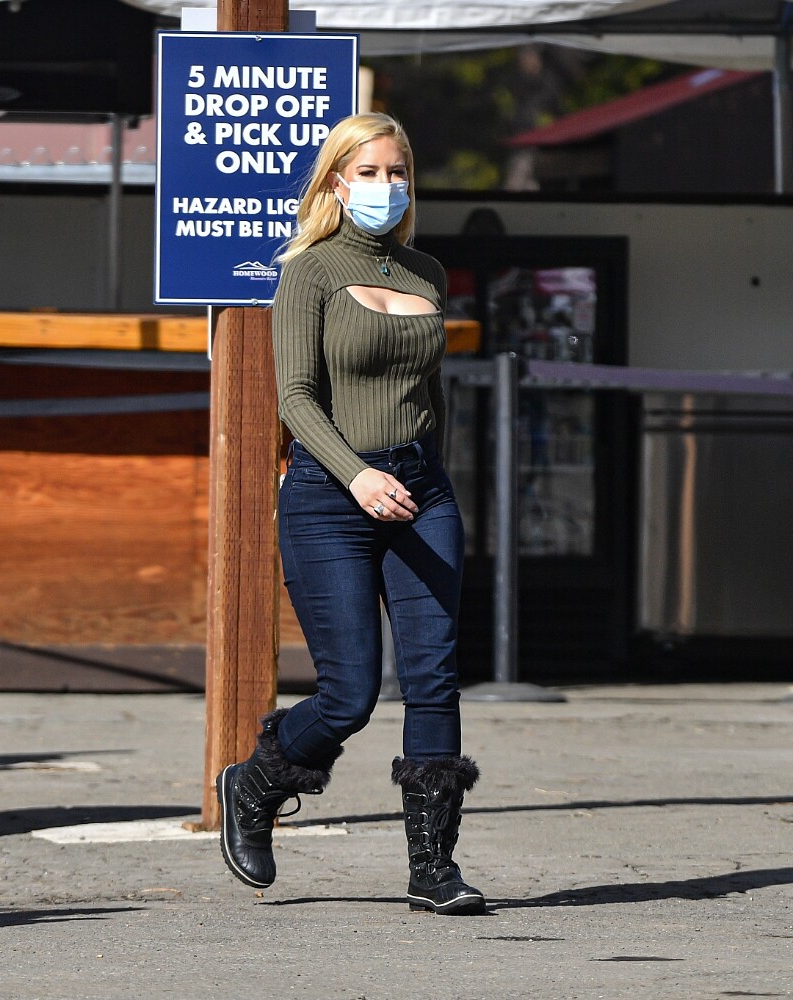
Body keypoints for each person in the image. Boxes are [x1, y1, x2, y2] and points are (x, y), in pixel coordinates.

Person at [215, 112, 485, 916]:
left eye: (396, 172)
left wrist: (425, 476)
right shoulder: (309, 271)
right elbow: (295, 398)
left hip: (420, 489)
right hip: (330, 496)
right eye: (367, 172)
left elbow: (430, 394)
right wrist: (359, 475)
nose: (384, 186)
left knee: (434, 678)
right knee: (350, 694)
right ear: (336, 182)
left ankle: (432, 868)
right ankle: (255, 782)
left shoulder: (425, 273)